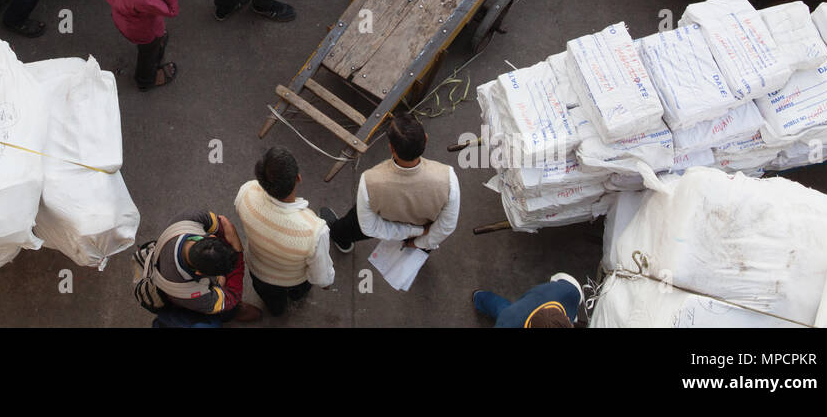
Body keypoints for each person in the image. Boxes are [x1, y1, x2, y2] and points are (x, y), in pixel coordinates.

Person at [320, 113, 460, 256]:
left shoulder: (369, 180)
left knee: (352, 223)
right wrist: (419, 241)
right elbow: (446, 226)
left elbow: (369, 227)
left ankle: (340, 237)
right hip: (424, 229)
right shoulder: (448, 177)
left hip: (389, 221)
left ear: (391, 148)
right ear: (426, 139)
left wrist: (414, 232)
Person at [234, 146, 334, 317]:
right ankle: (295, 298)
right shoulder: (314, 231)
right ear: (298, 178)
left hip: (258, 271)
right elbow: (320, 274)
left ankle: (277, 312)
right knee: (298, 293)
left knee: (273, 304)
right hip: (292, 280)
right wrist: (326, 282)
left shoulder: (246, 192)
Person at [149, 210, 263, 327]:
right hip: (181, 297)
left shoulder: (186, 219)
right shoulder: (192, 296)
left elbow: (223, 223)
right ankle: (230, 314)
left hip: (165, 263)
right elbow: (233, 297)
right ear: (199, 273)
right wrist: (238, 253)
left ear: (211, 236)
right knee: (222, 309)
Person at [472, 273, 584, 328]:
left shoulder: (566, 290)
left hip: (529, 302)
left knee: (502, 307)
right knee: (499, 308)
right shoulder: (507, 323)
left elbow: (561, 278)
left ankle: (479, 296)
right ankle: (479, 298)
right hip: (512, 316)